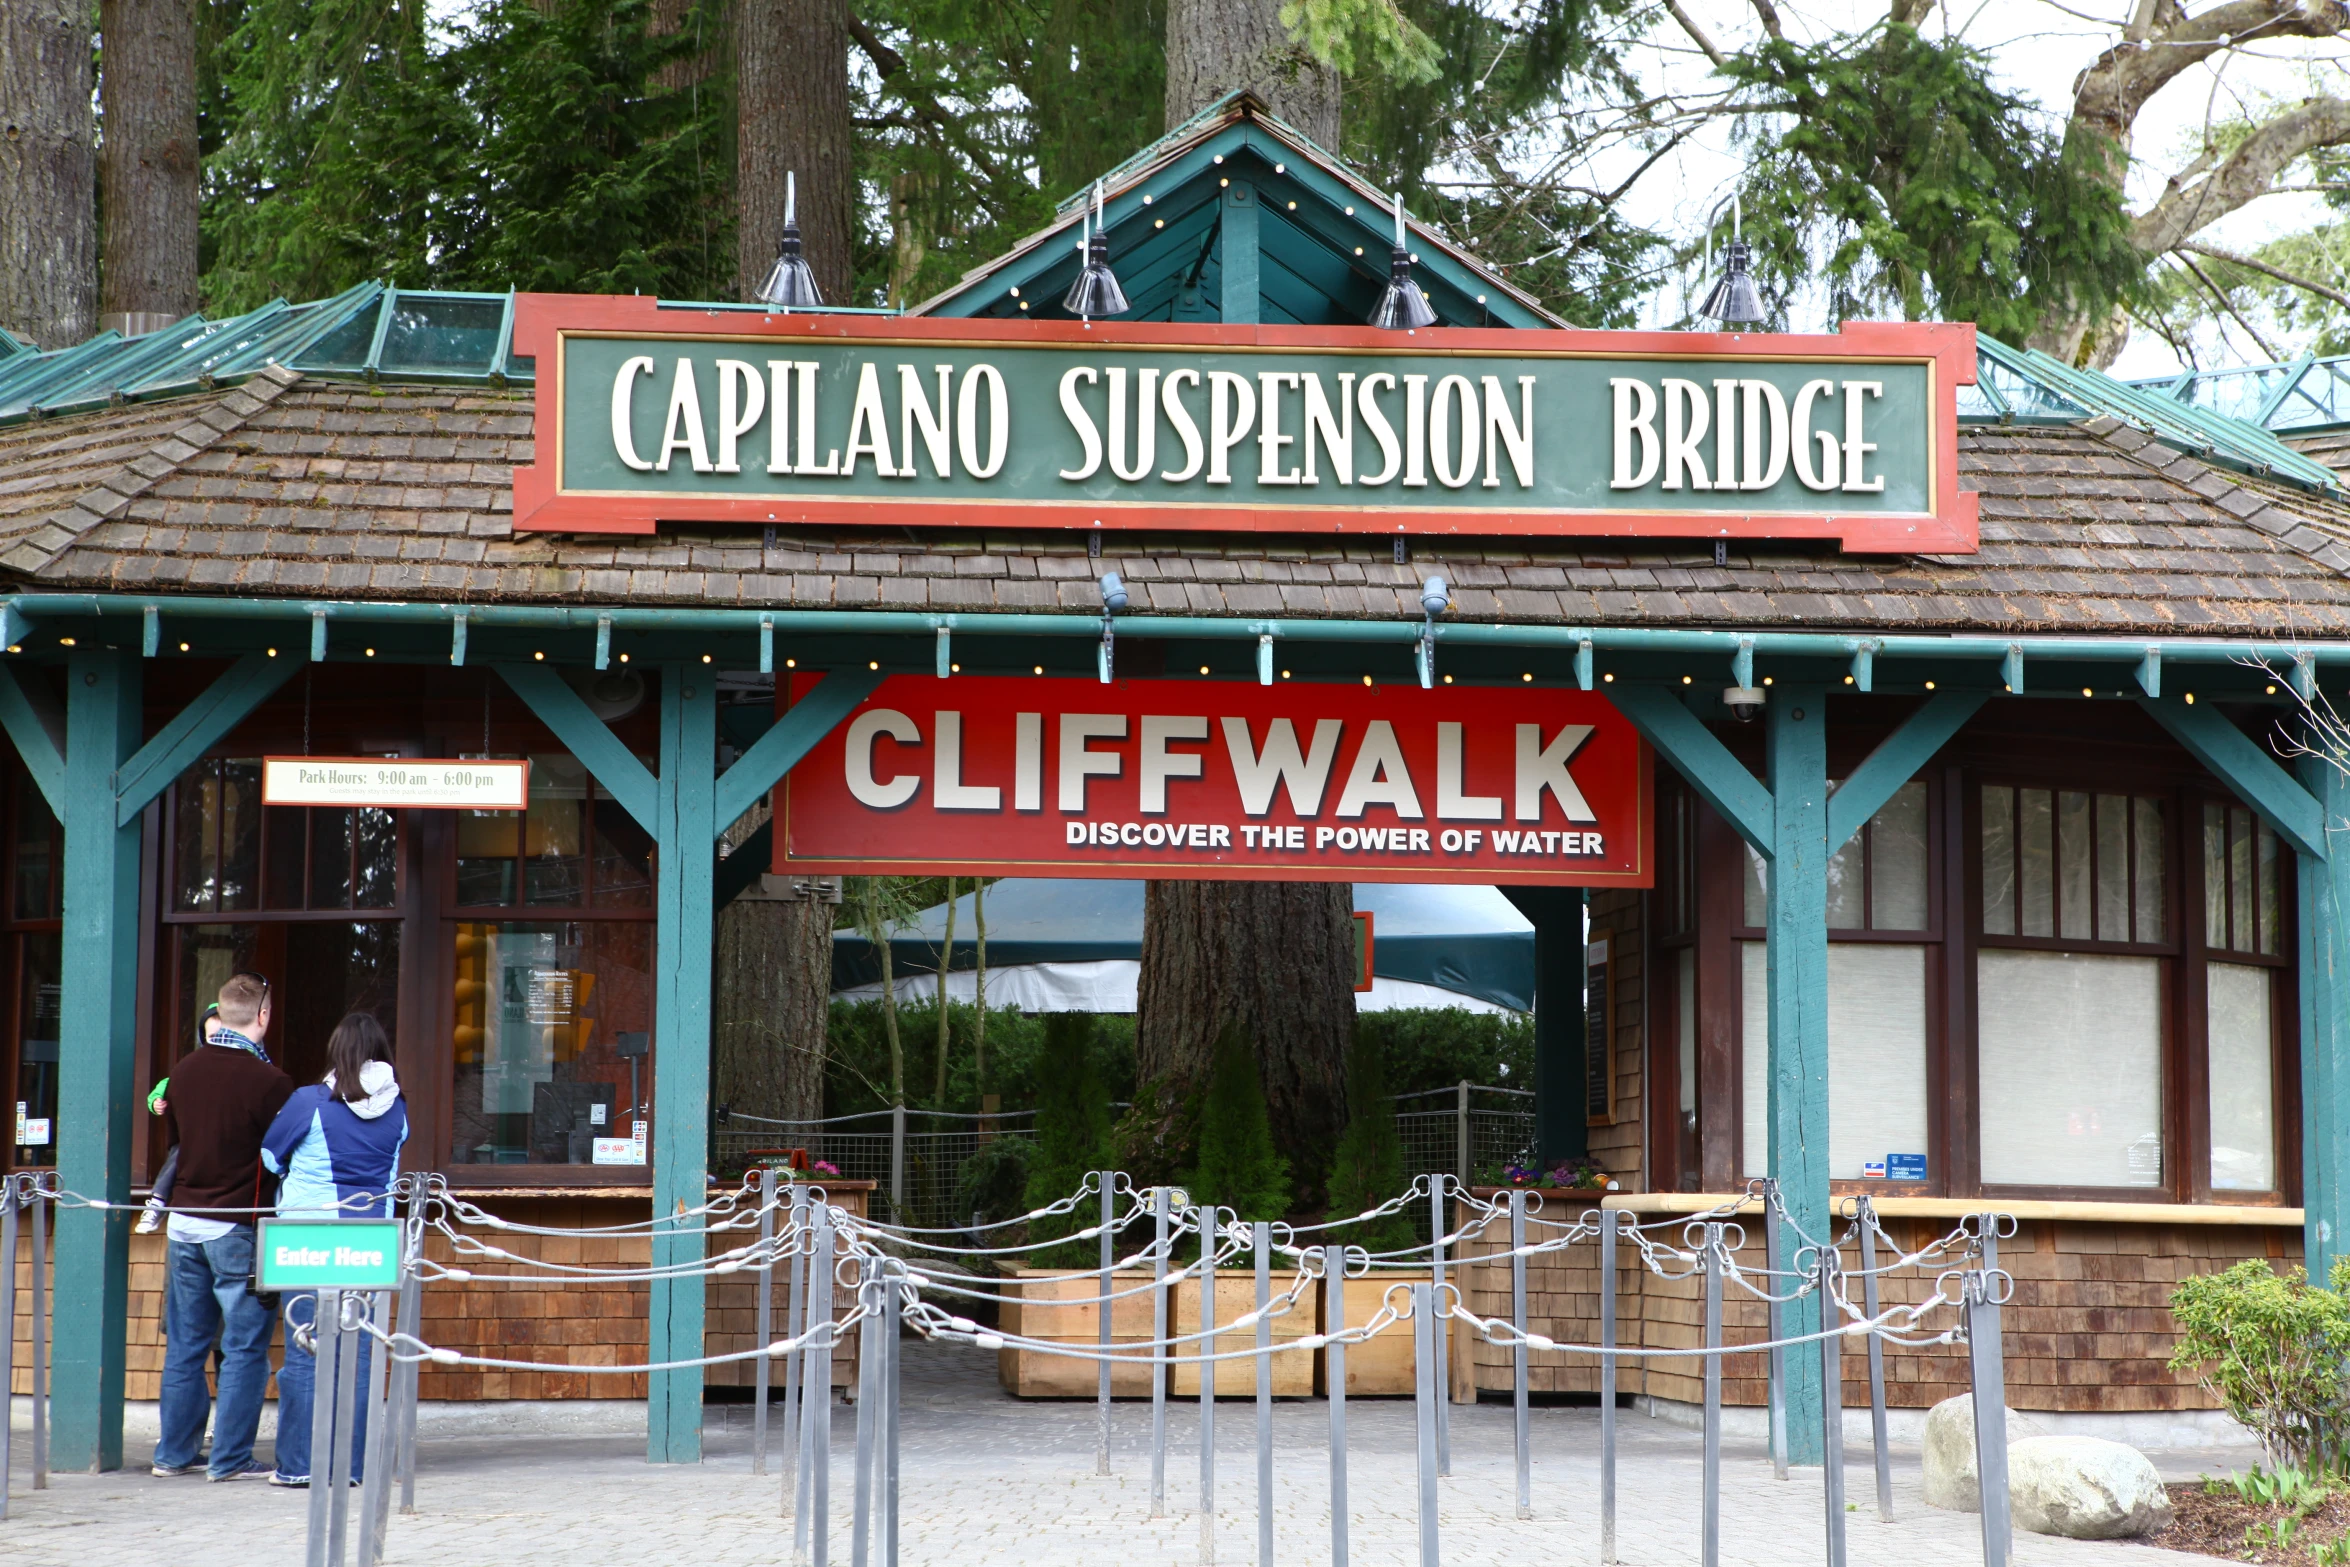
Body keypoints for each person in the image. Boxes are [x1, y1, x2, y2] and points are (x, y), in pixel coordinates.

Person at [152, 972, 292, 1482]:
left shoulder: (184, 1071)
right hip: (237, 1223)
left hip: (183, 1221)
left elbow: (178, 1144)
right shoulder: (272, 1083)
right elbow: (284, 1158)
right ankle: (229, 1458)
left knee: (185, 1347)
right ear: (263, 1016)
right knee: (244, 1348)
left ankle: (172, 1455)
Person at [262, 1012, 409, 1489]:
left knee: (307, 1350)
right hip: (371, 1241)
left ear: (337, 1051)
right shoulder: (399, 1107)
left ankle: (300, 1466)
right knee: (361, 1351)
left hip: (309, 1237)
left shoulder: (310, 1101)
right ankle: (354, 1467)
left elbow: (269, 1156)